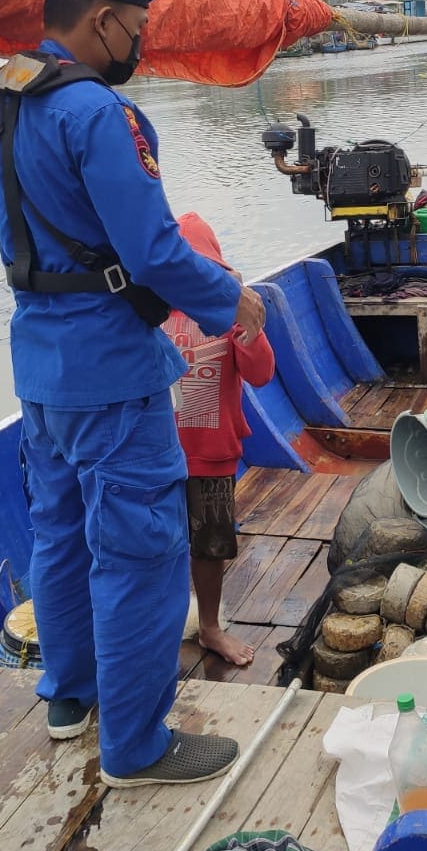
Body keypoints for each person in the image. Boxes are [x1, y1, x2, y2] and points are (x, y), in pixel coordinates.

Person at [0, 0, 266, 788]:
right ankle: (137, 745)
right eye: (136, 26)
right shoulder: (97, 113)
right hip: (112, 371)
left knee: (59, 537)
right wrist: (230, 300)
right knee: (138, 551)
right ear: (101, 21)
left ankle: (69, 700)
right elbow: (154, 250)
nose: (139, 42)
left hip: (40, 366)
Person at [164, 212, 276, 668]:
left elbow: (262, 373)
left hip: (211, 456)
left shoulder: (228, 315)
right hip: (155, 457)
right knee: (156, 546)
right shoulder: (146, 313)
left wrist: (250, 329)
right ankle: (159, 626)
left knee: (210, 546)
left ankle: (209, 628)